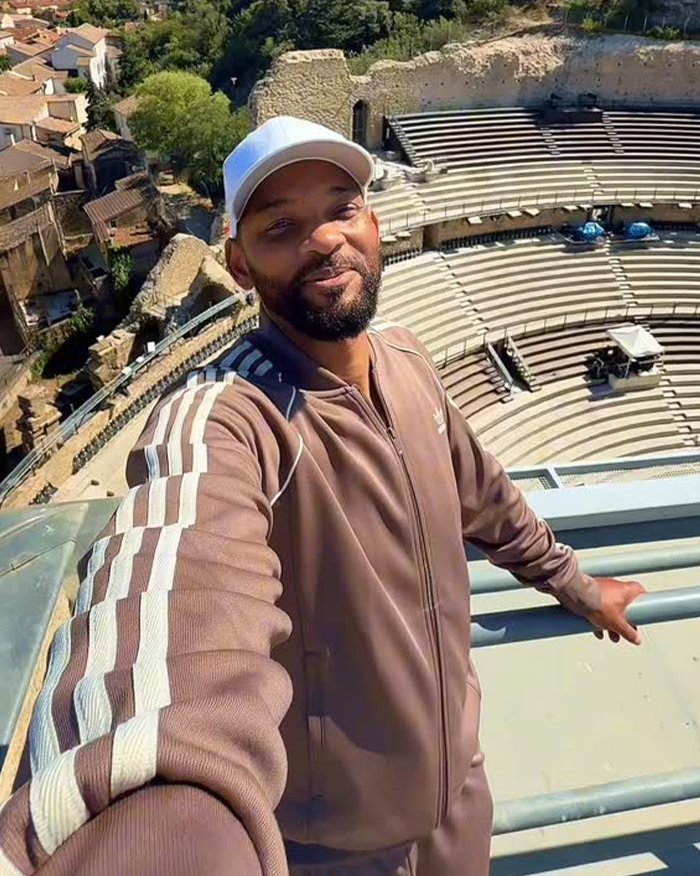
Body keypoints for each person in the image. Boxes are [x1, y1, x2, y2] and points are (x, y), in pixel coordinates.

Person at [0, 116, 645, 876]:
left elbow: (488, 500)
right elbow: (170, 591)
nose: (325, 240)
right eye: (281, 227)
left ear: (374, 222)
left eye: (343, 209)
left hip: (457, 803)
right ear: (239, 264)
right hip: (330, 851)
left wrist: (579, 587)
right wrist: (142, 808)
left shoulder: (407, 359)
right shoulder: (227, 416)